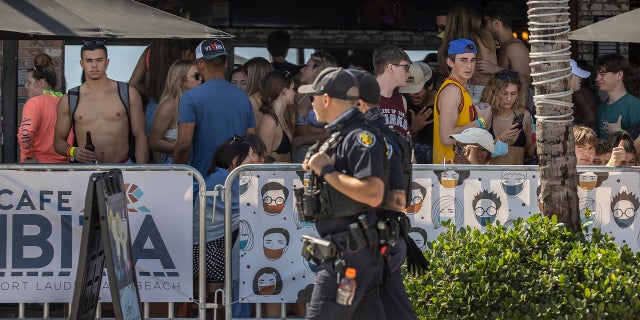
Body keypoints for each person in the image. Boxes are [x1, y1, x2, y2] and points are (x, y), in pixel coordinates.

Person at [297, 67, 387, 319]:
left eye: (313, 96)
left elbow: (373, 193)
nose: (311, 102)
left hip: (348, 253)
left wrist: (326, 170)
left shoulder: (359, 137)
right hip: (351, 250)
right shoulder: (340, 136)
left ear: (325, 99)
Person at [350, 69, 424, 320]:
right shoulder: (386, 134)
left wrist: (326, 171)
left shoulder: (369, 138)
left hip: (373, 242)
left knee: (339, 308)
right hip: (385, 239)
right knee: (395, 310)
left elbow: (376, 194)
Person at [191, 134, 258, 317]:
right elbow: (250, 210)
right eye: (250, 154)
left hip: (216, 250)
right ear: (235, 159)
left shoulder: (225, 177)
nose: (254, 159)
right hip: (209, 254)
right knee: (255, 256)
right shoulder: (223, 180)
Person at [54, 40, 148, 164]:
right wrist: (73, 151)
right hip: (85, 170)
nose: (94, 65)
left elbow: (141, 137)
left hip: (122, 167)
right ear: (82, 64)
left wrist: (140, 173)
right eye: (89, 61)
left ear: (107, 62)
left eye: (99, 60)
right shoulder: (70, 99)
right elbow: (58, 141)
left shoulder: (128, 93)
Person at [173, 39, 256, 176]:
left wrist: (177, 173)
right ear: (225, 63)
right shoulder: (243, 98)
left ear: (200, 65)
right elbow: (252, 139)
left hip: (202, 181)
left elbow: (183, 145)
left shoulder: (190, 97)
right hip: (237, 179)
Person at [433, 38, 492, 164]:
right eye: (463, 60)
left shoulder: (460, 89)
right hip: (449, 173)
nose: (469, 66)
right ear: (450, 62)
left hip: (459, 171)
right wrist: (481, 122)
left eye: (473, 60)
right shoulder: (452, 91)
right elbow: (447, 138)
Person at [128, 39, 195, 136]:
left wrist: (151, 91)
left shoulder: (150, 51)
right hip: (179, 106)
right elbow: (192, 80)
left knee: (152, 146)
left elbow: (133, 83)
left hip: (154, 108)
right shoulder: (187, 52)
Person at [437, 1, 498, 104]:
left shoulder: (446, 44)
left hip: (456, 92)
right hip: (485, 94)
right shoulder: (484, 37)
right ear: (475, 18)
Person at [18, 54, 70, 163]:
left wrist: (29, 156)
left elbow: (26, 133)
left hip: (38, 169)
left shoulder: (34, 102)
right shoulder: (65, 102)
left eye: (29, 82)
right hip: (65, 168)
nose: (26, 87)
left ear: (41, 83)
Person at [480, 0, 532, 107]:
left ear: (496, 23)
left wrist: (496, 69)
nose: (484, 27)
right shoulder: (504, 46)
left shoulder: (515, 47)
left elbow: (525, 81)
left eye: (485, 22)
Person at [149, 60, 201, 164]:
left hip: (196, 165)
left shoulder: (199, 103)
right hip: (174, 166)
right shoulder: (169, 105)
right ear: (181, 81)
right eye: (196, 76)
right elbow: (154, 142)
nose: (201, 80)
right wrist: (181, 148)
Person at [291, 51, 338, 163]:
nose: (301, 69)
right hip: (296, 156)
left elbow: (336, 132)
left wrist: (303, 139)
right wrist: (319, 132)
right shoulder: (295, 94)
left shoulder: (329, 97)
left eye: (307, 66)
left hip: (321, 157)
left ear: (318, 71)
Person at [481, 70, 534, 165]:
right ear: (493, 93)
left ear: (518, 94)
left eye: (513, 94)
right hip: (491, 176)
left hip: (519, 176)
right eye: (504, 93)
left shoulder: (524, 115)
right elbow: (478, 154)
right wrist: (501, 138)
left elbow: (529, 153)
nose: (509, 99)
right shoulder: (487, 115)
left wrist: (537, 143)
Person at [594, 54, 640, 139]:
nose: (597, 78)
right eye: (597, 74)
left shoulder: (636, 107)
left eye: (602, 74)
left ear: (619, 75)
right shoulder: (601, 109)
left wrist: (620, 132)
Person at [399, 61, 436, 164]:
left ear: (430, 86)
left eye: (416, 91)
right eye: (408, 90)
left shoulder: (444, 103)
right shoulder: (404, 102)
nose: (411, 95)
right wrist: (414, 129)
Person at [257, 71, 296, 163]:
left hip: (287, 175)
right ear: (284, 90)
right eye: (293, 88)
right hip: (275, 176)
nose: (295, 93)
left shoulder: (282, 117)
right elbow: (263, 159)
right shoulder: (270, 121)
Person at [244, 57, 274, 125]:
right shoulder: (276, 98)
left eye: (244, 75)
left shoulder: (249, 101)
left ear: (251, 77)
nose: (244, 79)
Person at [570, 59, 597, 129]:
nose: (581, 77)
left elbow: (590, 118)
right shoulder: (578, 93)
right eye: (577, 74)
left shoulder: (580, 92)